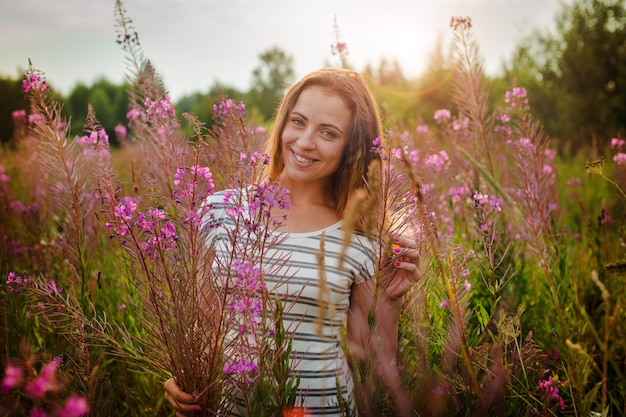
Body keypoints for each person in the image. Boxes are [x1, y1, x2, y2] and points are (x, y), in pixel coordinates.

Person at [164, 68, 420, 416]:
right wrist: (183, 381)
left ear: (352, 147)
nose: (304, 142)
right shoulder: (220, 211)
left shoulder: (361, 237)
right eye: (298, 122)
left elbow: (373, 370)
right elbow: (204, 329)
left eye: (328, 132)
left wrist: (390, 300)